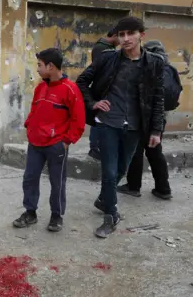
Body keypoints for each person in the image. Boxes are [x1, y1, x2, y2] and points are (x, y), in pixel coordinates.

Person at [76, 16, 166, 238]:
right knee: (108, 171)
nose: (125, 39)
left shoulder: (154, 62)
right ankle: (111, 215)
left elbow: (158, 98)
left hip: (135, 127)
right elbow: (81, 82)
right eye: (121, 34)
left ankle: (103, 199)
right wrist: (93, 103)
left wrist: (156, 131)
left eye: (130, 34)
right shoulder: (107, 59)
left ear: (141, 35)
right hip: (108, 122)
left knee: (122, 169)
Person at [12, 48, 85, 232]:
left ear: (51, 66)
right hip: (35, 144)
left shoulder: (70, 89)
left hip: (56, 145)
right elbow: (34, 111)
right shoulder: (40, 87)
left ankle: (56, 215)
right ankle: (30, 213)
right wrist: (29, 125)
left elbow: (78, 120)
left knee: (57, 182)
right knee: (29, 178)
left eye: (39, 65)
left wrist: (67, 141)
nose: (37, 69)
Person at [118, 40, 173, 200]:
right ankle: (163, 189)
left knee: (136, 152)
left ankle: (133, 186)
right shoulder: (168, 67)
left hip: (143, 118)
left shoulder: (148, 67)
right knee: (155, 153)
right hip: (160, 118)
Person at [88, 29, 120, 160]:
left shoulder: (105, 47)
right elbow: (102, 70)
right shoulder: (102, 48)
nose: (121, 41)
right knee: (98, 119)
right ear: (114, 35)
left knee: (100, 118)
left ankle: (97, 147)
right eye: (120, 36)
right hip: (102, 88)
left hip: (103, 87)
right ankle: (95, 148)